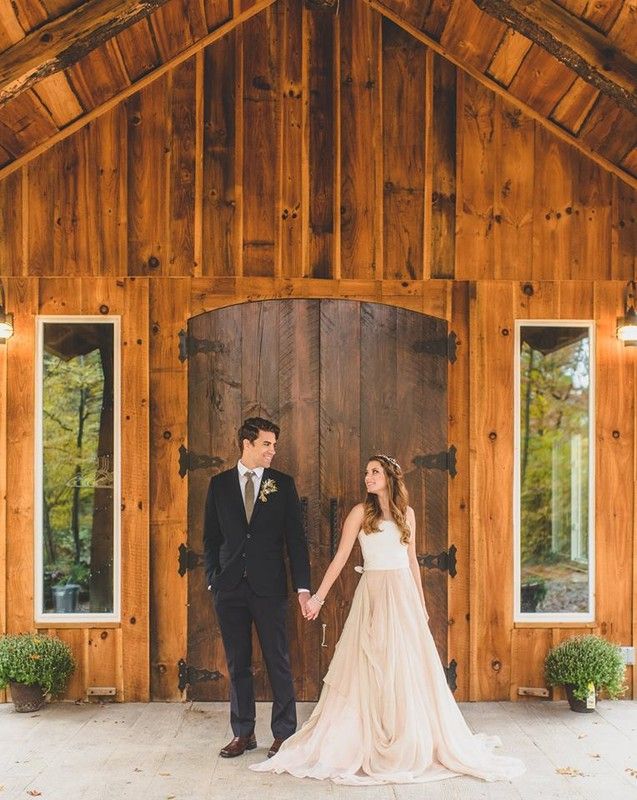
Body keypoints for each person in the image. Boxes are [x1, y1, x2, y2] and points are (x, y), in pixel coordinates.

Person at [250, 454, 525, 785]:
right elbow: (340, 558)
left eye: (375, 472)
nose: (368, 477)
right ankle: (366, 734)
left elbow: (412, 561)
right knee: (371, 662)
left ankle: (405, 734)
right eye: (366, 472)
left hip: (403, 595)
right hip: (373, 593)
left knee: (405, 665)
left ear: (390, 477)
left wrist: (421, 605)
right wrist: (318, 598)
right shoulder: (359, 513)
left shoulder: (406, 514)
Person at [203, 417, 311, 760]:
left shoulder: (283, 484)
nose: (273, 451)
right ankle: (243, 732)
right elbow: (210, 538)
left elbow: (296, 541)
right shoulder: (218, 485)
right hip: (229, 588)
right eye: (267, 444)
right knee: (237, 664)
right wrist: (213, 577)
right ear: (247, 444)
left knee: (277, 659)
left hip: (269, 588)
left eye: (274, 445)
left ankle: (283, 734)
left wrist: (303, 588)